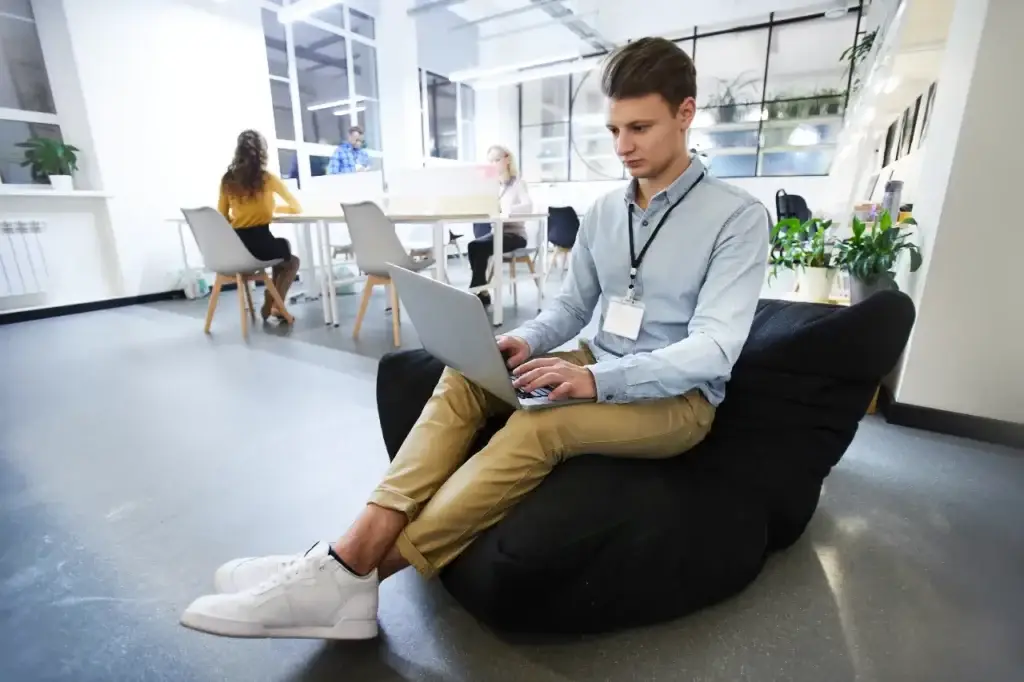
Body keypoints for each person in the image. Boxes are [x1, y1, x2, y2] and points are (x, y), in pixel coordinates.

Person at [181, 37, 770, 640]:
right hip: (599, 357)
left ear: (686, 113)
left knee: (544, 424)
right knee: (467, 376)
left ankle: (346, 574)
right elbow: (571, 305)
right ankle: (342, 561)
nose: (623, 147)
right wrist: (525, 340)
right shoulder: (604, 212)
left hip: (678, 402)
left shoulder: (737, 217)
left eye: (639, 128)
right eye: (615, 129)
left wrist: (595, 379)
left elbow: (716, 348)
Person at [217, 129, 303, 322]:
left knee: (282, 249)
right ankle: (273, 301)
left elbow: (221, 216)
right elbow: (296, 207)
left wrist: (242, 218)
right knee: (291, 260)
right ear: (262, 153)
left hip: (237, 247)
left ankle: (273, 302)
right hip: (261, 243)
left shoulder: (227, 180)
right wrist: (272, 209)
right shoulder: (267, 178)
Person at [467, 145, 533, 305]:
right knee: (473, 246)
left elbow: (528, 206)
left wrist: (507, 211)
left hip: (516, 235)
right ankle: (481, 289)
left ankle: (477, 290)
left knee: (481, 247)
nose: (494, 164)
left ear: (507, 159)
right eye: (491, 161)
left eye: (497, 160)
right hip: (497, 232)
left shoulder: (518, 183)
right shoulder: (493, 185)